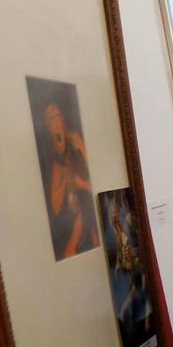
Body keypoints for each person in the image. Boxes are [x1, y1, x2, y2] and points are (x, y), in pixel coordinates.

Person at [41, 102, 100, 260]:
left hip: (87, 212)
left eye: (57, 117)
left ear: (63, 120)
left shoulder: (75, 142)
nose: (55, 123)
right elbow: (55, 209)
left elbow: (99, 181)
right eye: (51, 120)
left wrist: (82, 184)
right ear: (48, 128)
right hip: (67, 226)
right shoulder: (51, 163)